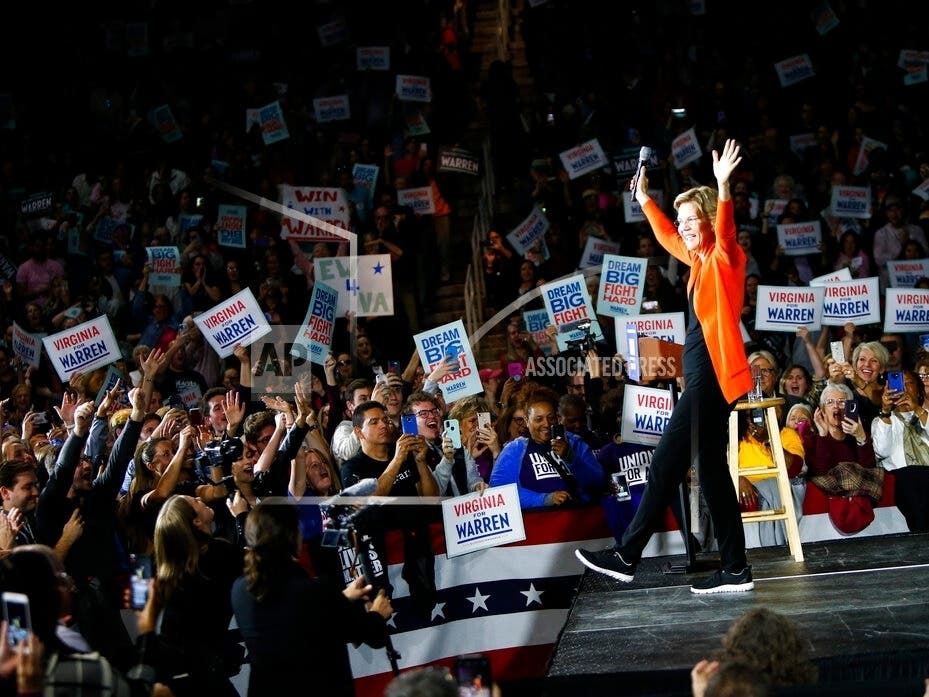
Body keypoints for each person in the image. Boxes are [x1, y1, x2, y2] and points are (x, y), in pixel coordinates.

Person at [576, 139, 755, 594]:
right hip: (702, 378)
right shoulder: (697, 261)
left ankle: (627, 554)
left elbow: (728, 234)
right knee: (713, 475)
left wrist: (722, 186)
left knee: (665, 462)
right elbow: (668, 237)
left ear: (711, 219)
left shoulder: (725, 259)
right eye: (683, 220)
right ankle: (736, 568)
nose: (685, 227)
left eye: (693, 219)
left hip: (712, 379)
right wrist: (645, 200)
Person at [231, 500, 392, 697]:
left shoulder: (239, 589)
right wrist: (377, 612)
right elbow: (372, 635)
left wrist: (341, 598)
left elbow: (291, 621)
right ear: (292, 535)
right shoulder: (315, 591)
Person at [871, 369, 929, 532]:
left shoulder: (926, 415)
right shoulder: (882, 420)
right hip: (904, 479)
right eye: (898, 383)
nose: (902, 388)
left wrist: (917, 410)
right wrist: (885, 412)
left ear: (918, 390)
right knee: (910, 475)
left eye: (908, 383)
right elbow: (882, 451)